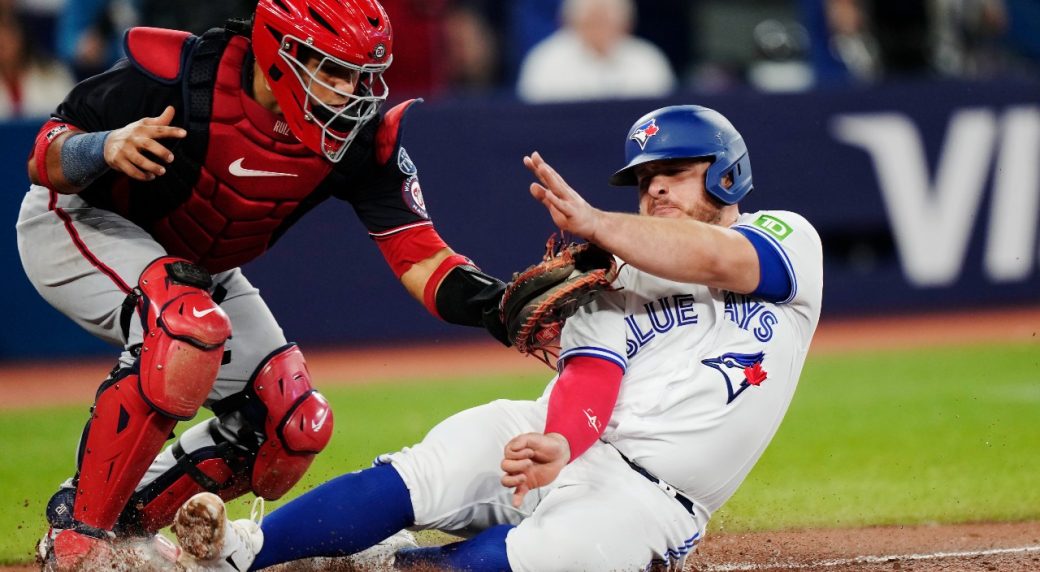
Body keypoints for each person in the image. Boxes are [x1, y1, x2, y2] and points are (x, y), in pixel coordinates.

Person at [169, 104, 824, 571]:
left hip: (649, 501)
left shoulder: (788, 240)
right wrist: (561, 440)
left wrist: (599, 220)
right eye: (643, 178)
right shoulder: (610, 273)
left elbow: (716, 258)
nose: (652, 186)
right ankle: (244, 553)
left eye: (675, 169)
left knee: (513, 563)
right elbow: (592, 374)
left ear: (726, 175)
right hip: (562, 440)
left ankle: (386, 563)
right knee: (423, 471)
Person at [19, 0, 512, 569]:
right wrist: (102, 146)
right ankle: (77, 537)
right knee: (183, 329)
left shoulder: (360, 138)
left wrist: (503, 306)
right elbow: (43, 155)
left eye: (361, 76)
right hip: (80, 220)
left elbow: (421, 260)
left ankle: (127, 532)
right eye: (333, 70)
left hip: (190, 264)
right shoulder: (180, 74)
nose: (352, 93)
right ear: (281, 53)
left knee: (292, 424)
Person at [516, 0, 675, 103]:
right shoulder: (545, 61)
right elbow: (534, 120)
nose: (599, 30)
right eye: (592, 22)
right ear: (571, 22)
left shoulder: (647, 59)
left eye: (606, 22)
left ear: (626, 24)